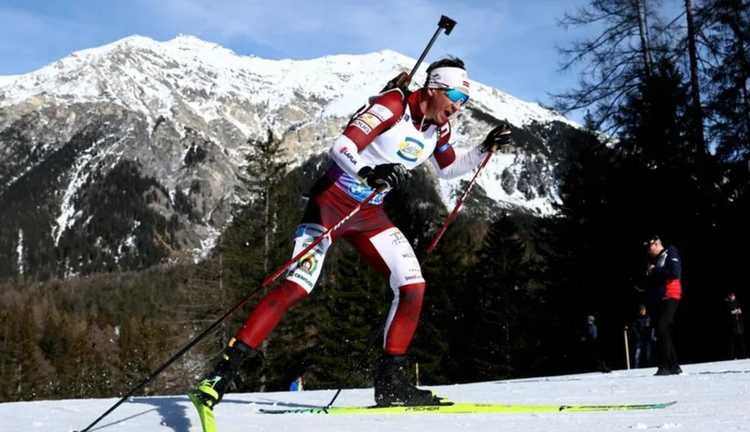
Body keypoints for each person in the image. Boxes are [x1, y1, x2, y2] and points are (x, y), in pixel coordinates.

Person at [189, 57, 515, 410]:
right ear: (433, 88)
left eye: (464, 102)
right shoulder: (391, 105)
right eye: (454, 97)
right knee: (297, 286)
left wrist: (485, 146)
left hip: (368, 215)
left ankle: (390, 384)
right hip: (329, 205)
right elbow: (341, 147)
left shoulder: (438, 128)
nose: (457, 107)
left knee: (412, 286)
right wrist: (370, 173)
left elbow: (448, 168)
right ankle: (221, 375)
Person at [644, 234, 683, 376]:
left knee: (662, 326)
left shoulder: (670, 252)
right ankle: (674, 366)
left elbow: (675, 273)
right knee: (662, 330)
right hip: (659, 298)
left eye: (649, 247)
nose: (648, 250)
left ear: (656, 244)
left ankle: (664, 366)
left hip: (671, 294)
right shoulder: (654, 259)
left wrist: (655, 270)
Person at [630, 304, 654, 368]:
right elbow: (634, 328)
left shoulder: (648, 318)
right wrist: (637, 336)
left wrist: (652, 336)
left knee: (648, 354)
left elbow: (651, 327)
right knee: (637, 355)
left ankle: (649, 367)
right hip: (639, 339)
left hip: (647, 338)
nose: (643, 311)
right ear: (640, 311)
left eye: (644, 310)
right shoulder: (636, 319)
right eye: (642, 310)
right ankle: (636, 367)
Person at [725, 292, 747, 359]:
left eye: (733, 296)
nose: (732, 297)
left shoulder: (737, 302)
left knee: (741, 341)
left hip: (739, 325)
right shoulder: (727, 303)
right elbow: (730, 312)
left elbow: (740, 311)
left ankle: (744, 355)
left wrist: (736, 311)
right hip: (732, 325)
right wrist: (735, 311)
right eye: (731, 296)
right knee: (733, 342)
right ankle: (733, 356)